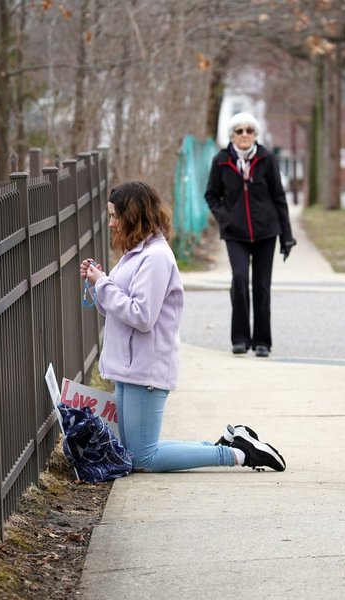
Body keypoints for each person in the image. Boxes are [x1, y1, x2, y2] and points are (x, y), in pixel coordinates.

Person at [80, 180, 285, 472]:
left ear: (133, 216)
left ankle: (239, 455)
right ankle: (230, 443)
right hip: (128, 366)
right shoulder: (134, 253)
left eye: (115, 216)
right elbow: (113, 309)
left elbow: (141, 315)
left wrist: (103, 283)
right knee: (134, 453)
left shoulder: (156, 258)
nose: (111, 223)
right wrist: (97, 283)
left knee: (143, 458)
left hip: (145, 368)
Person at [205, 112, 296, 358]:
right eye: (239, 131)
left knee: (262, 286)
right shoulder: (221, 161)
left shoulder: (267, 159)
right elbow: (211, 195)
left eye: (249, 130)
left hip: (266, 232)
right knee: (240, 280)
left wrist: (287, 236)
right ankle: (240, 338)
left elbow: (279, 197)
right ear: (232, 135)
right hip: (236, 235)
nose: (245, 135)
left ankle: (262, 341)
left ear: (255, 134)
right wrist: (226, 218)